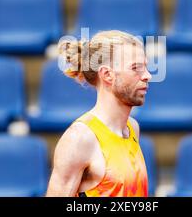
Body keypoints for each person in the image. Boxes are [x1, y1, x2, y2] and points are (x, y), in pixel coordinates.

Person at [46, 30, 152, 197]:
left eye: (146, 67)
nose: (147, 76)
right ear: (107, 75)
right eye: (136, 68)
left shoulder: (132, 127)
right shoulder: (80, 138)